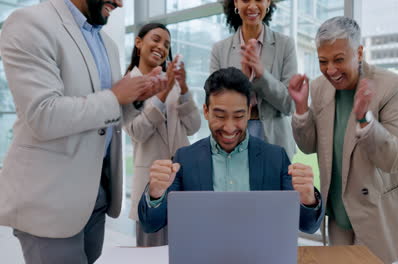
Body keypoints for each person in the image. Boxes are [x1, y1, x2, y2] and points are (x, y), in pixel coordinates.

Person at [0, 0, 166, 263]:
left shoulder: (107, 44)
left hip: (97, 195)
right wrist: (115, 96)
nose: (121, 3)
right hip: (50, 201)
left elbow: (106, 117)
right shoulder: (30, 23)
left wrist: (135, 98)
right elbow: (42, 114)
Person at [289, 16, 398, 263]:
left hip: (376, 214)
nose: (330, 70)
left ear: (359, 52)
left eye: (338, 60)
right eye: (323, 61)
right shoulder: (319, 87)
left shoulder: (392, 85)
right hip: (338, 214)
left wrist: (365, 120)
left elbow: (396, 159)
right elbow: (308, 145)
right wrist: (302, 108)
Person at [138, 67, 325, 235]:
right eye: (219, 116)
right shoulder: (185, 159)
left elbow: (308, 226)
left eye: (238, 116)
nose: (229, 128)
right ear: (206, 111)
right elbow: (151, 224)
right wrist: (155, 193)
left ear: (249, 111)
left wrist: (308, 198)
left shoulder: (275, 158)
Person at [123, 23, 201, 247]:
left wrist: (183, 88)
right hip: (150, 183)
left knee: (186, 250)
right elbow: (137, 131)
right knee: (151, 252)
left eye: (167, 44)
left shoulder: (175, 86)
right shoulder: (127, 85)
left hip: (180, 180)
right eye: (155, 39)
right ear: (139, 43)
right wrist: (163, 93)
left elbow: (194, 126)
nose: (161, 47)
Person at [210, 0, 297, 160]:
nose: (252, 6)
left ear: (268, 2)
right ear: (236, 3)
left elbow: (290, 105)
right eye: (245, 0)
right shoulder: (220, 49)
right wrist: (242, 82)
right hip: (232, 138)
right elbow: (215, 104)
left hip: (276, 140)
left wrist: (262, 75)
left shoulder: (285, 45)